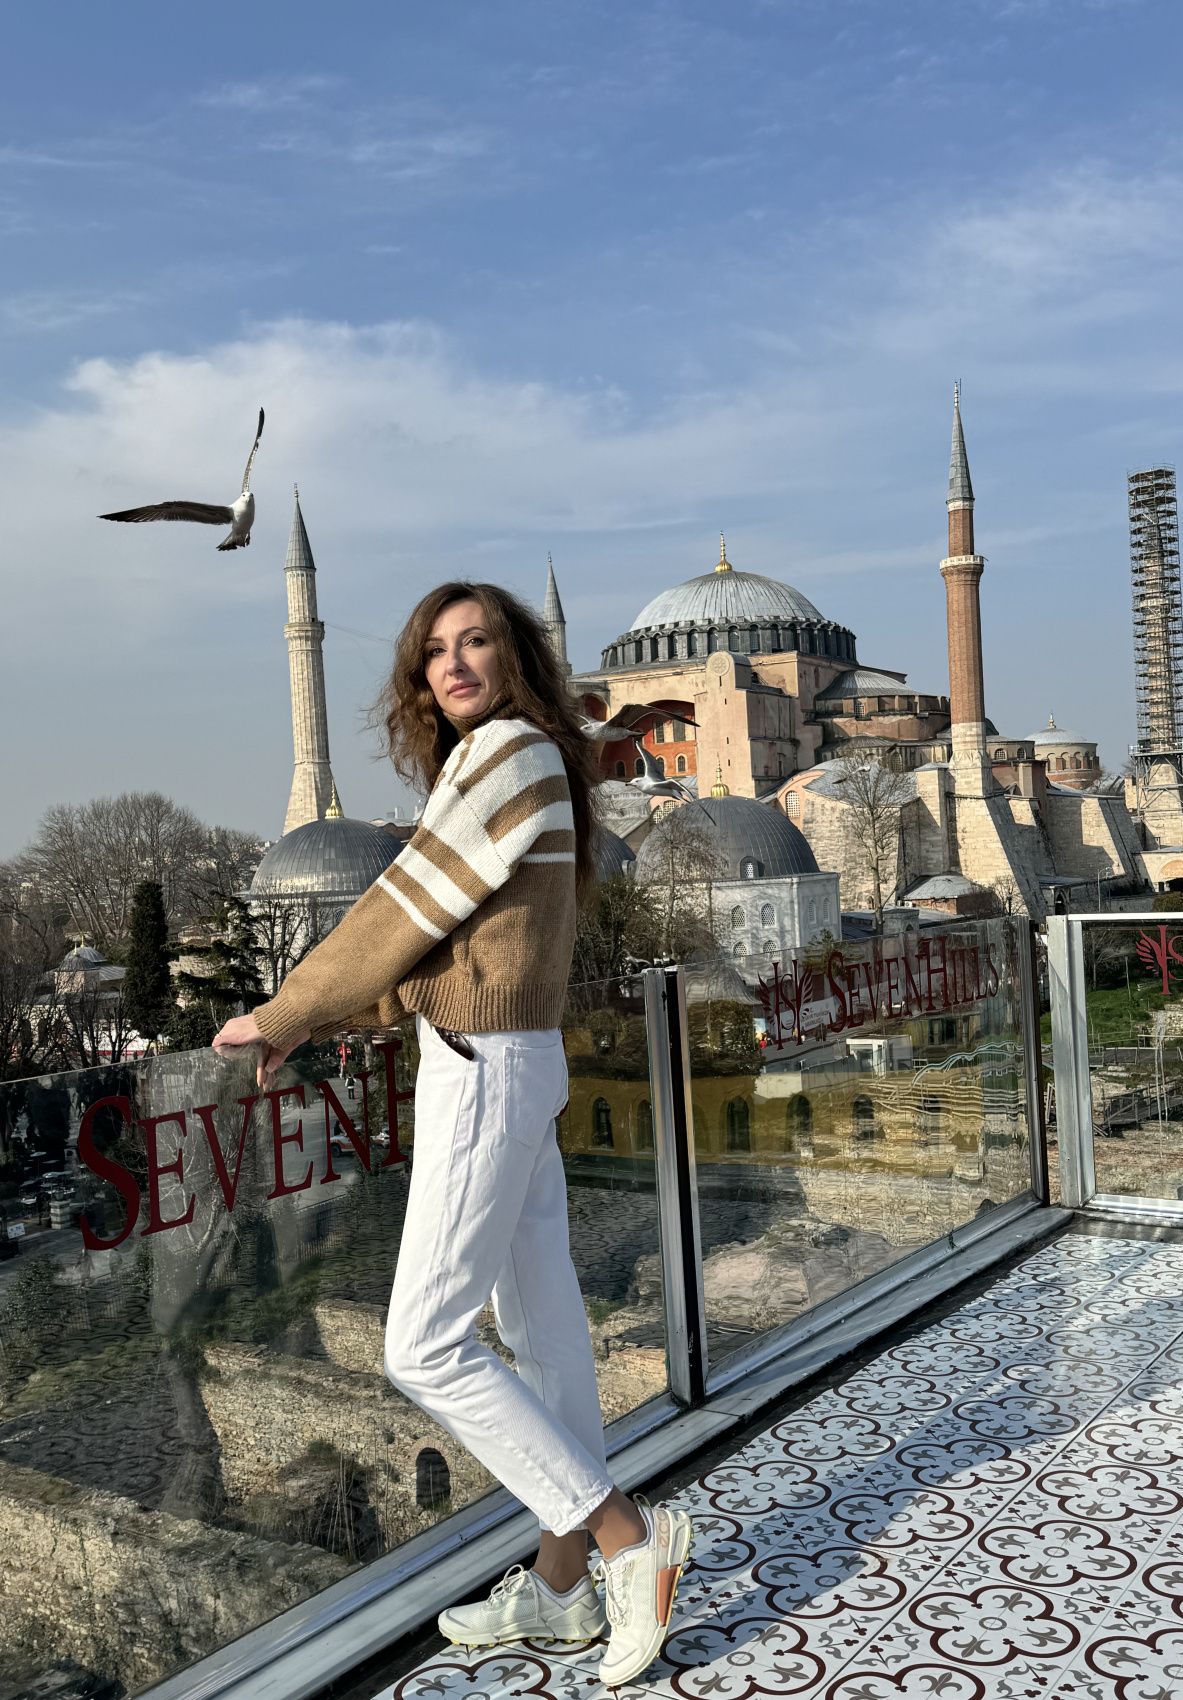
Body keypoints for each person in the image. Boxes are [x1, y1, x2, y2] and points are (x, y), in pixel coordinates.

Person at [213, 581, 691, 1686]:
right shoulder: (530, 758)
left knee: (422, 1344)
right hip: (512, 1058)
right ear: (419, 675)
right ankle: (563, 1588)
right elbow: (445, 938)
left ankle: (625, 1539)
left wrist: (285, 1010)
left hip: (484, 1072)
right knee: (543, 1331)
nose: (456, 663)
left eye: (476, 642)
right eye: (436, 650)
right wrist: (336, 1014)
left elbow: (397, 913)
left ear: (515, 656)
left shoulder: (506, 754)